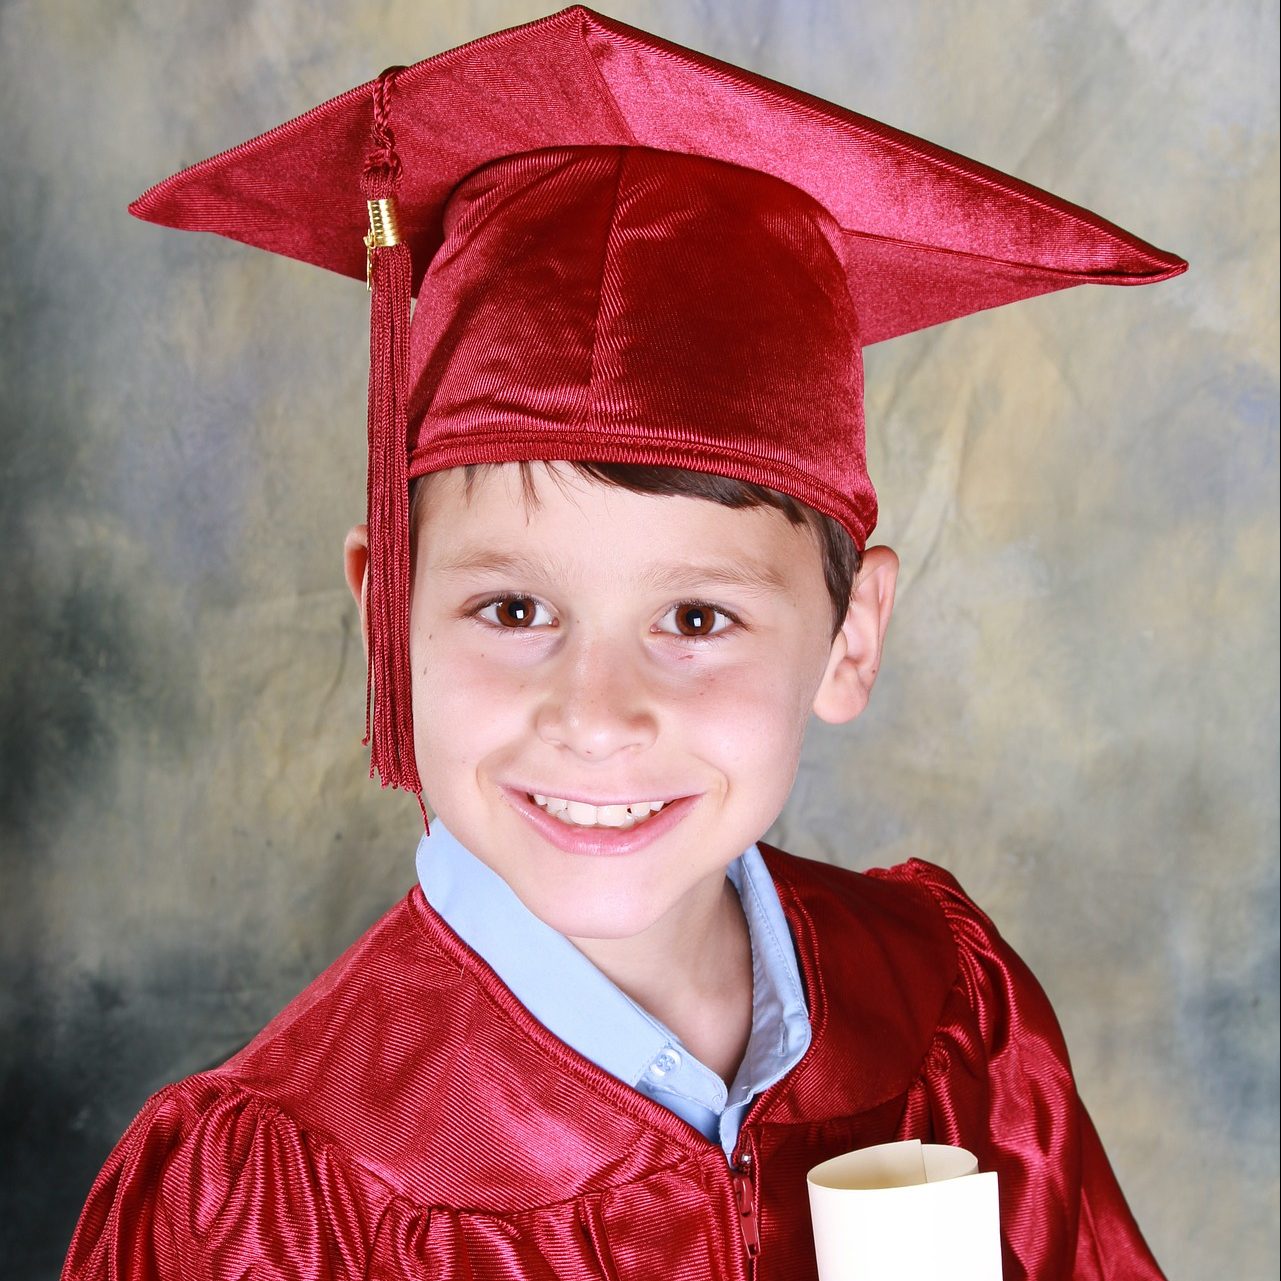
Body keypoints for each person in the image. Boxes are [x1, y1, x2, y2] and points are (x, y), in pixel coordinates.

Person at [62, 7, 1185, 1279]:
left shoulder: (947, 1014)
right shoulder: (262, 1203)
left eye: (696, 619)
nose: (596, 715)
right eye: (514, 610)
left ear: (849, 640)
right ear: (385, 618)